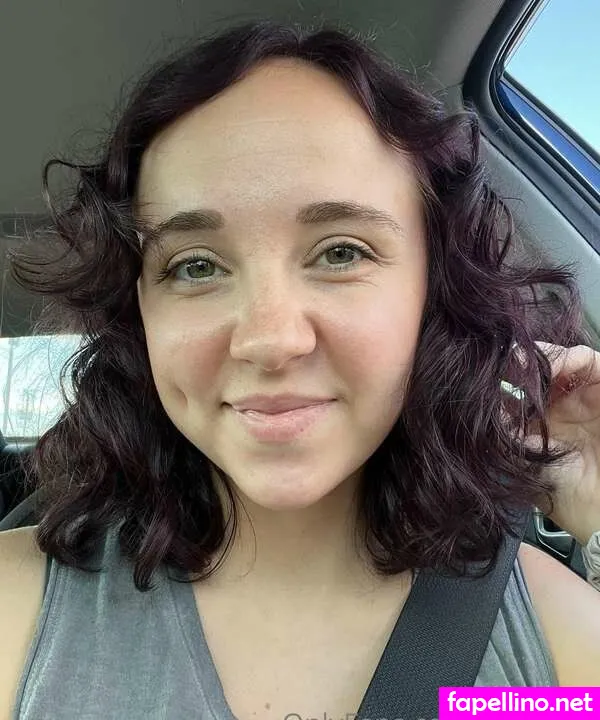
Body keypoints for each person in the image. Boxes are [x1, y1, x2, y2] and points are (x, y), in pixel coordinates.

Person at [2, 18, 600, 720]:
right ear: (143, 313)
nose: (270, 340)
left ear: (432, 291)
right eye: (195, 266)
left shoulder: (559, 652)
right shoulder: (15, 610)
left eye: (341, 252)